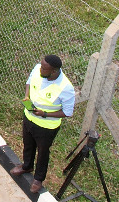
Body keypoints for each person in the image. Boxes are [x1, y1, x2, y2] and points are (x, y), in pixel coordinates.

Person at [12, 54, 76, 185]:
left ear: (54, 71)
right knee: (28, 145)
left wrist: (45, 114)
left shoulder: (66, 88)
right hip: (29, 118)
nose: (40, 69)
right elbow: (29, 81)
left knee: (43, 152)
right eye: (41, 66)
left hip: (46, 127)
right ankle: (27, 166)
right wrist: (26, 96)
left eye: (44, 69)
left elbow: (67, 112)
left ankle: (38, 179)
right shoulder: (37, 69)